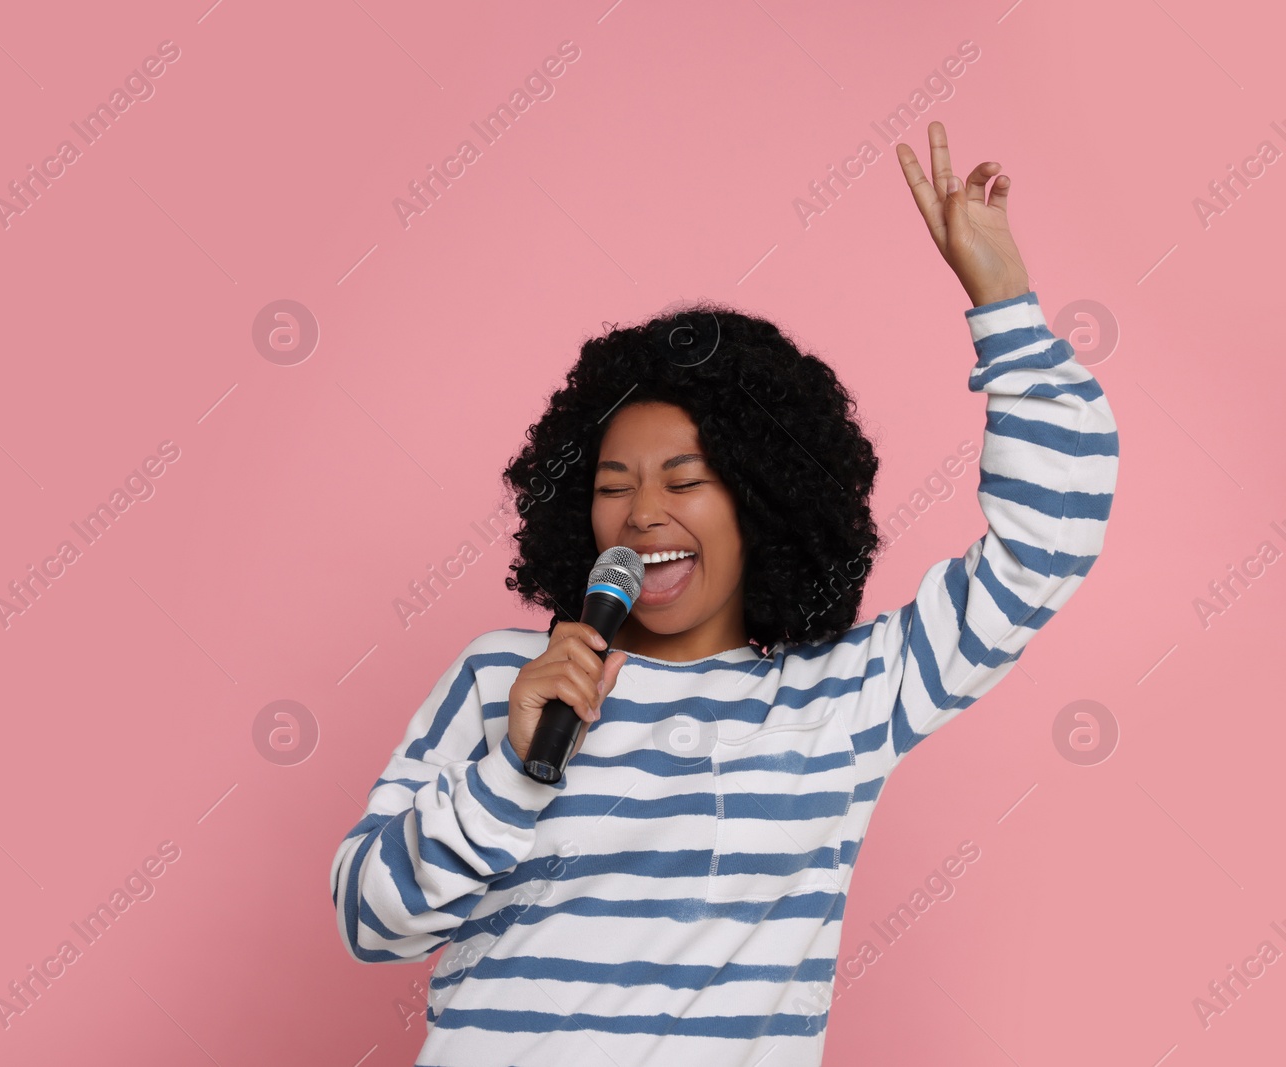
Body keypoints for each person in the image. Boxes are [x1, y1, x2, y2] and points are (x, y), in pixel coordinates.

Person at [330, 121, 1119, 1066]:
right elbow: (370, 922)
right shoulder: (506, 677)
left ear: (761, 499)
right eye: (613, 485)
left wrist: (1007, 310)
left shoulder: (846, 700)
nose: (642, 515)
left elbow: (1047, 543)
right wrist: (508, 765)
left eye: (685, 479)